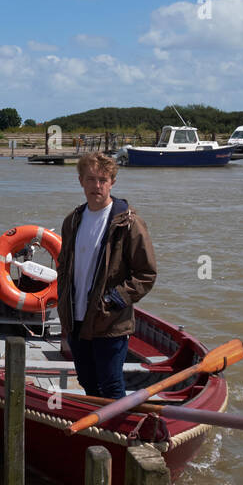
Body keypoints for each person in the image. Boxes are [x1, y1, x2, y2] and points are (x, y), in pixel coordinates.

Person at [55, 152, 157, 399]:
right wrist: (63, 306)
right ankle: (97, 431)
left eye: (102, 179)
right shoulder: (72, 221)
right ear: (81, 181)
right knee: (88, 381)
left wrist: (113, 301)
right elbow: (64, 267)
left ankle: (116, 434)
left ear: (112, 182)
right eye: (90, 179)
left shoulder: (129, 224)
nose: (96, 186)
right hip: (76, 319)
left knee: (111, 386)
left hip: (110, 322)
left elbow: (146, 273)